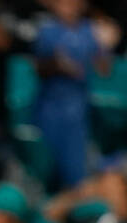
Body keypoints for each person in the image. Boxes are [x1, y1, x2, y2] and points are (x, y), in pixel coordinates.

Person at [32, 0, 110, 189]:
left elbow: (104, 69)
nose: (69, 6)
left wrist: (103, 48)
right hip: (50, 105)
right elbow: (38, 66)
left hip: (80, 107)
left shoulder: (92, 30)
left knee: (78, 163)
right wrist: (58, 65)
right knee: (47, 161)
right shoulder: (46, 31)